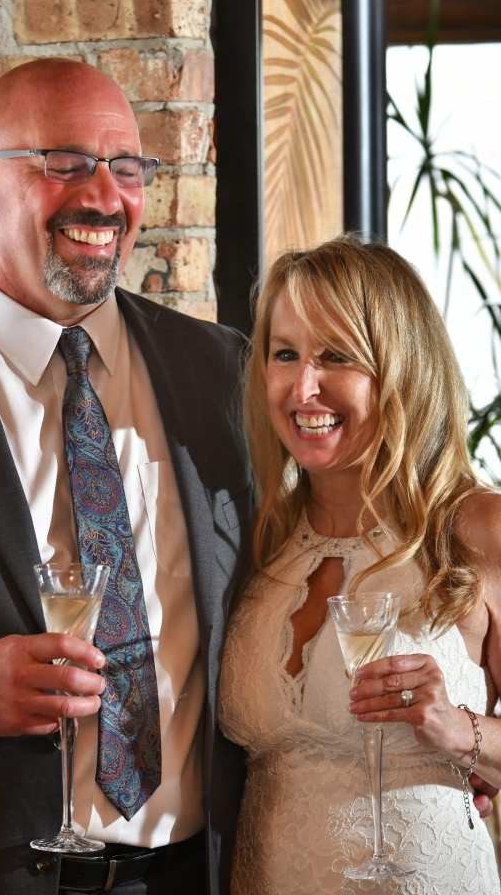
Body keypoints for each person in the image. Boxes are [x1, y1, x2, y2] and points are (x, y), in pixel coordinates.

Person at [0, 59, 252, 895]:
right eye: (66, 164)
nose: (105, 197)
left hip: (193, 877)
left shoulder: (219, 373)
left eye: (127, 168)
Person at [218, 237, 501, 894]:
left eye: (336, 356)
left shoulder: (478, 527)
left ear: (400, 367)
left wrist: (456, 728)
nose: (303, 388)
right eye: (285, 354)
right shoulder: (259, 541)